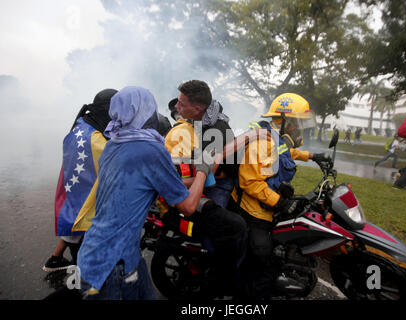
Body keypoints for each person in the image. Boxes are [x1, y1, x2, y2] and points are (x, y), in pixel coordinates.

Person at [76, 86, 214, 300]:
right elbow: (187, 207)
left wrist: (194, 179)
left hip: (105, 252)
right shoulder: (150, 148)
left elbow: (155, 181)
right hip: (111, 265)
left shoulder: (114, 144)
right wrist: (204, 171)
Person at [228, 92, 329, 298]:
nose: (300, 129)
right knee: (263, 260)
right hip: (253, 212)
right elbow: (250, 182)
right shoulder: (262, 142)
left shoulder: (275, 138)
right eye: (298, 124)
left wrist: (312, 156)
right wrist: (280, 202)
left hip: (268, 206)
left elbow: (285, 152)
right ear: (284, 121)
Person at [163, 80, 247, 296]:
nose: (177, 108)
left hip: (219, 181)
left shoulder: (216, 130)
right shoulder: (198, 119)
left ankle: (217, 280)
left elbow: (209, 173)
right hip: (205, 174)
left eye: (181, 104)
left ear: (197, 108)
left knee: (213, 230)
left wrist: (170, 185)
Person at [43, 88, 118, 272]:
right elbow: (115, 162)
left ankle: (57, 259)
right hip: (86, 189)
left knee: (74, 218)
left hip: (75, 182)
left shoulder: (83, 122)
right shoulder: (95, 137)